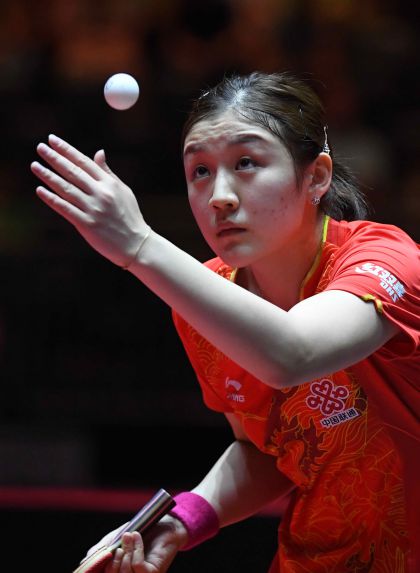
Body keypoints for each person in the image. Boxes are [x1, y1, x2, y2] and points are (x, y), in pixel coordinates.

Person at [30, 71, 419, 573]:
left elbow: (294, 354)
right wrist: (183, 520)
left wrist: (139, 245)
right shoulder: (206, 297)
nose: (220, 195)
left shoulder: (387, 260)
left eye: (247, 163)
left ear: (316, 177)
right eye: (200, 171)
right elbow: (266, 449)